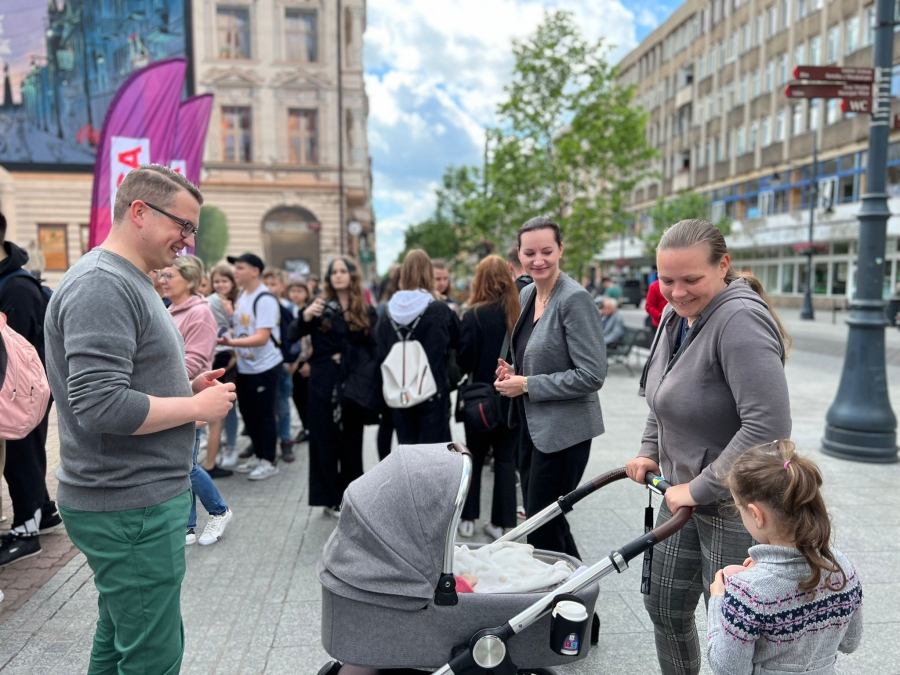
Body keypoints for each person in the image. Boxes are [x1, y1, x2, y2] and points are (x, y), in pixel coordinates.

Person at [43, 164, 236, 674]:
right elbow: (100, 404)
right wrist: (194, 408)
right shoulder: (103, 284)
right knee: (152, 654)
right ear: (140, 212)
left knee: (119, 637)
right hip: (130, 503)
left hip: (132, 499)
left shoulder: (124, 279)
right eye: (183, 225)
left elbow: (117, 386)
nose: (188, 240)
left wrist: (185, 391)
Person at [624, 218, 793, 675]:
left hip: (738, 505)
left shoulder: (740, 320)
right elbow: (662, 395)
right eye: (667, 280)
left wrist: (698, 488)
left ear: (723, 266)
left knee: (734, 629)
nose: (677, 292)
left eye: (691, 279)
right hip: (682, 495)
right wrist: (648, 449)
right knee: (664, 606)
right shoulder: (676, 316)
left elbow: (769, 426)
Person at [495, 216, 607, 557]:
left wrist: (527, 384)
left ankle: (571, 590)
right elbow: (542, 355)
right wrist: (515, 371)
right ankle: (581, 590)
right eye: (529, 253)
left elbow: (592, 374)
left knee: (542, 526)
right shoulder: (528, 292)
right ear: (519, 254)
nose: (538, 260)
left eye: (546, 251)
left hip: (564, 435)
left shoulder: (574, 299)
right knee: (546, 523)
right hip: (531, 428)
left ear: (560, 249)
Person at [707, 440, 862, 674]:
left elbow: (729, 669)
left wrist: (719, 600)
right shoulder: (842, 568)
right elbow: (850, 642)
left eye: (739, 508)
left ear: (757, 515)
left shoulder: (746, 591)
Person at [291, 257, 378, 516]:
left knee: (352, 441)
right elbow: (292, 335)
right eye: (333, 272)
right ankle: (329, 499)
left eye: (343, 271)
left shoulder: (364, 309)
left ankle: (352, 497)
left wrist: (346, 357)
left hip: (352, 384)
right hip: (322, 381)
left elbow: (373, 349)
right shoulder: (319, 307)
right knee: (323, 439)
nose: (338, 275)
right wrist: (306, 316)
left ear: (352, 275)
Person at [159, 255, 234, 545]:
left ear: (189, 280)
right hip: (174, 397)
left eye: (169, 276)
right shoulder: (170, 309)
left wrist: (155, 377)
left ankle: (219, 511)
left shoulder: (200, 312)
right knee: (182, 465)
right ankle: (188, 526)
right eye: (162, 275)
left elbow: (196, 361)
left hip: (189, 397)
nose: (163, 280)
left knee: (185, 466)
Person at [0, 210, 61, 568]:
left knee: (20, 457)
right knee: (26, 453)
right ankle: (44, 511)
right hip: (19, 389)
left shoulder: (17, 287)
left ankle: (26, 532)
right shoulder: (9, 280)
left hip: (22, 391)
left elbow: (17, 354)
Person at [457, 255, 520, 540]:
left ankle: (468, 519)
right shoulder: (520, 313)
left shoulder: (473, 315)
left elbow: (464, 360)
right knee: (505, 459)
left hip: (479, 400)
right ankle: (501, 525)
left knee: (474, 456)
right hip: (512, 395)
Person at [375, 249, 460, 445]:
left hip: (400, 391)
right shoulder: (439, 309)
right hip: (433, 389)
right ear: (428, 274)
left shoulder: (388, 312)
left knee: (408, 449)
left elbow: (379, 348)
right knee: (434, 450)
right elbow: (458, 342)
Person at [218, 253, 284, 480]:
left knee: (265, 415)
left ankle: (269, 460)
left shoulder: (264, 298)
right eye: (235, 267)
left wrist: (231, 343)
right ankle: (258, 454)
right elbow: (243, 329)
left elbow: (262, 337)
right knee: (248, 413)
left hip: (265, 367)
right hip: (246, 366)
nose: (236, 271)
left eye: (241, 267)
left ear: (255, 271)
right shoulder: (243, 295)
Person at [205, 263, 240, 473]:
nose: (220, 285)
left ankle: (231, 445)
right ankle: (216, 447)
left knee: (230, 406)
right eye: (216, 281)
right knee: (216, 407)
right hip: (216, 357)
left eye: (224, 281)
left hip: (235, 357)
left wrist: (232, 315)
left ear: (232, 283)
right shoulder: (210, 301)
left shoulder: (239, 301)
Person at [263, 267, 297, 461]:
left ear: (282, 287)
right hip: (264, 363)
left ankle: (285, 439)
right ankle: (266, 440)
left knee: (282, 404)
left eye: (273, 284)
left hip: (282, 363)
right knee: (266, 406)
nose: (269, 288)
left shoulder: (288, 308)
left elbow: (295, 337)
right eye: (266, 284)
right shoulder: (258, 305)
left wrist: (293, 360)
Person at [286, 281, 312, 444]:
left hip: (305, 359)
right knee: (297, 396)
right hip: (291, 358)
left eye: (299, 290)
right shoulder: (288, 310)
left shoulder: (309, 310)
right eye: (293, 290)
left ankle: (310, 427)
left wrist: (306, 361)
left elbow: (309, 339)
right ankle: (305, 426)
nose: (295, 294)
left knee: (306, 395)